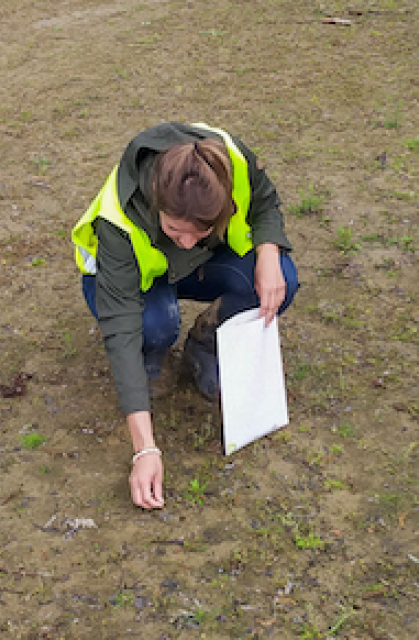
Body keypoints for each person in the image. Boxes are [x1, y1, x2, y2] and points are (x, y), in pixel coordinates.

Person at [71, 122, 299, 509]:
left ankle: (206, 344)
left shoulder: (231, 160)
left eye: (202, 230)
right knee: (154, 324)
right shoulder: (118, 220)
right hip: (125, 283)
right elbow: (120, 330)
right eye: (176, 229)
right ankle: (153, 357)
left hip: (192, 268)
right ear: (156, 202)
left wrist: (268, 252)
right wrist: (145, 450)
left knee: (282, 282)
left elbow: (264, 202)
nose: (189, 241)